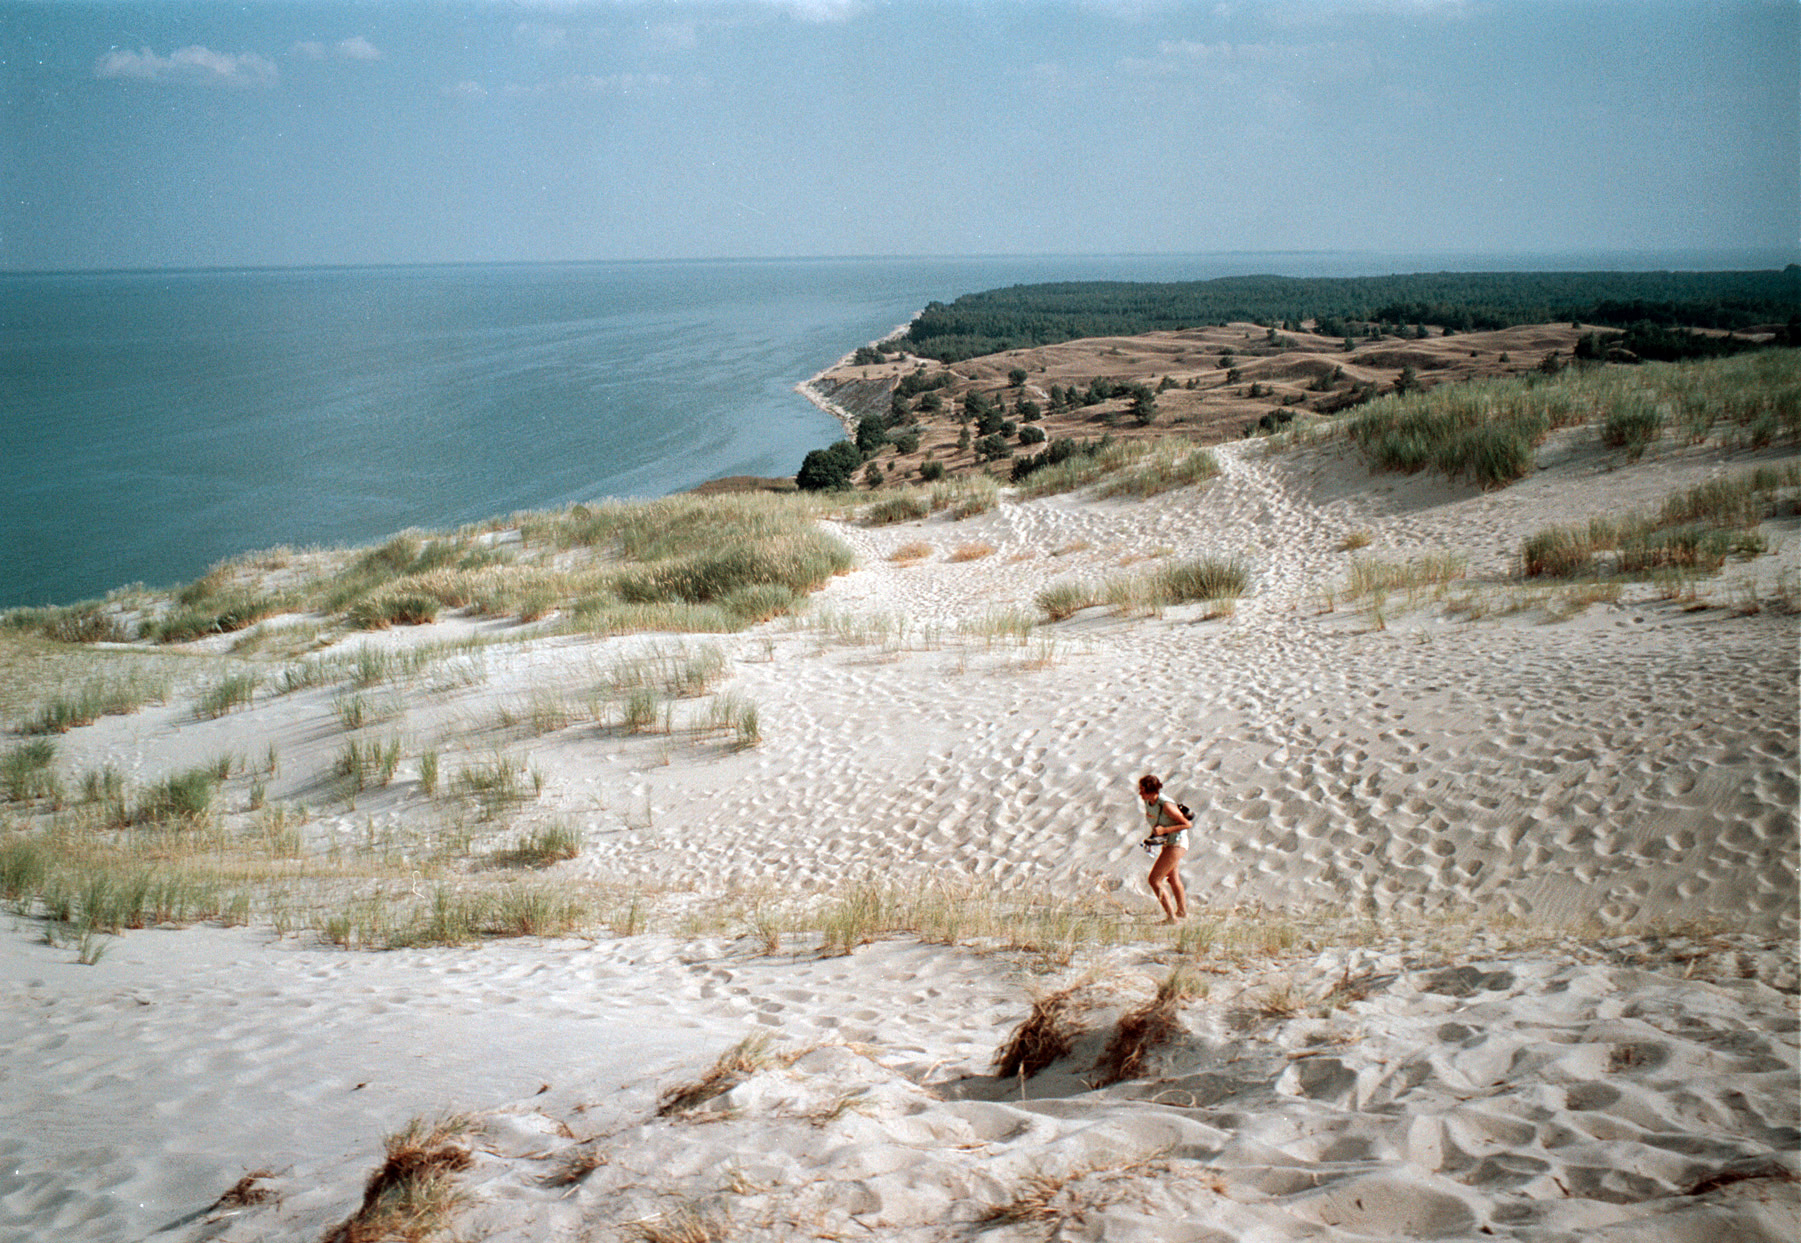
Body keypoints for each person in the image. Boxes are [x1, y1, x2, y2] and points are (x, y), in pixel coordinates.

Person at [1137, 774, 1189, 923]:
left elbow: (1187, 824)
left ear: (1152, 791)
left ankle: (1171, 918)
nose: (1140, 793)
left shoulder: (1166, 805)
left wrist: (1164, 831)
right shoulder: (1149, 801)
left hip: (1177, 843)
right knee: (1172, 878)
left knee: (1154, 880)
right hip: (1168, 842)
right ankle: (1182, 912)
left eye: (1143, 790)